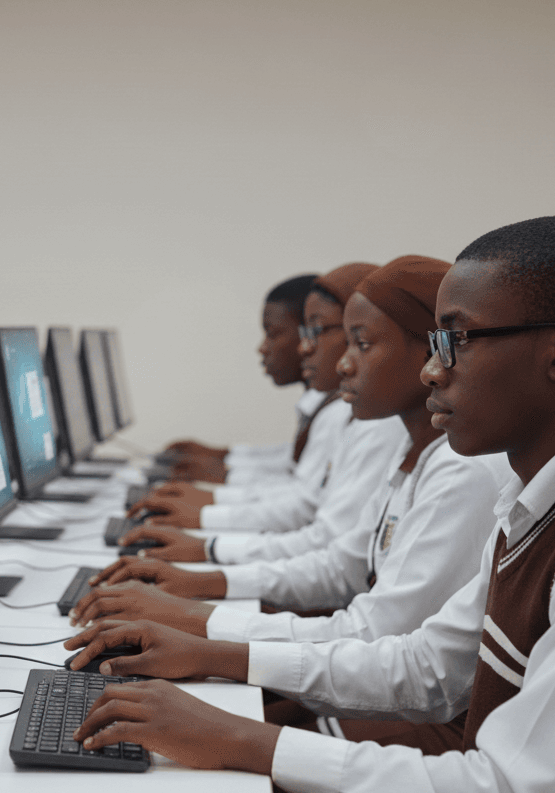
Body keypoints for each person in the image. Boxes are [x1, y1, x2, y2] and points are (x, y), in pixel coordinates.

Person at [64, 216, 555, 793]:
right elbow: (430, 668)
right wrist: (211, 653)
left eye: (455, 340)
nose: (434, 368)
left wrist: (240, 737)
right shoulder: (542, 501)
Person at [70, 256, 508, 670]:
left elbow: (377, 634)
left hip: (384, 681)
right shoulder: (410, 448)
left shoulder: (456, 469)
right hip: (363, 660)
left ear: (427, 351)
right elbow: (344, 564)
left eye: (362, 343)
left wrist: (202, 613)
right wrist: (200, 586)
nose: (341, 362)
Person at [134, 264, 400, 537]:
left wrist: (208, 522)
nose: (304, 347)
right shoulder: (355, 415)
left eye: (314, 331)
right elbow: (299, 482)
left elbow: (314, 523)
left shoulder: (377, 425)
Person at [163, 274, 321, 485]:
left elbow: (301, 493)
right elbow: (291, 459)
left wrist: (224, 476)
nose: (262, 348)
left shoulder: (340, 411)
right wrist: (224, 455)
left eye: (272, 334)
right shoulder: (318, 404)